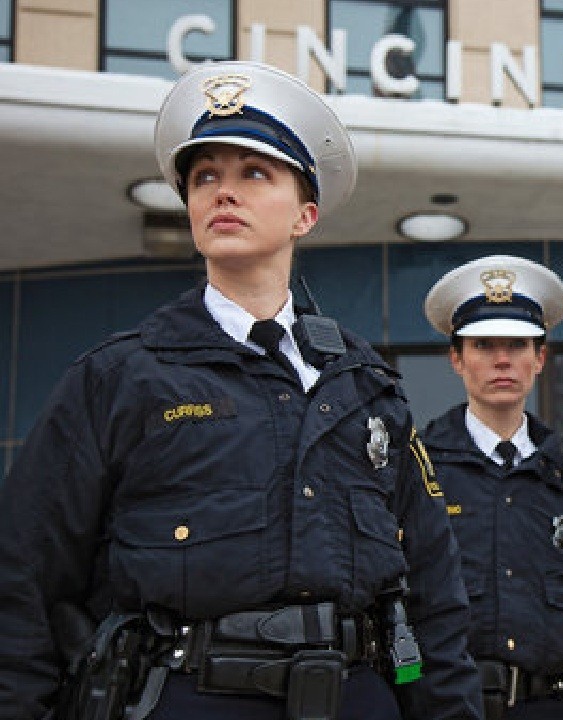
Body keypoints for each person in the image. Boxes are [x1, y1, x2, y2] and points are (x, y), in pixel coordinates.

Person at [0, 61, 483, 720]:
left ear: (305, 215)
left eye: (255, 174)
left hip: (359, 696)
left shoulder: (366, 388)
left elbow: (435, 590)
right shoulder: (119, 379)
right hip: (187, 697)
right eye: (205, 178)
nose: (224, 193)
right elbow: (24, 578)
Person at [420, 256, 563, 720]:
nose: (502, 360)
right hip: (447, 708)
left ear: (539, 358)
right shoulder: (418, 477)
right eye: (483, 345)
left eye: (518, 344)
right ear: (457, 359)